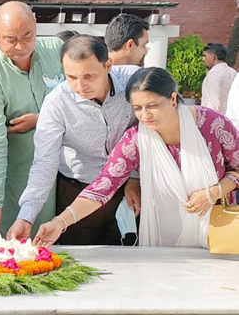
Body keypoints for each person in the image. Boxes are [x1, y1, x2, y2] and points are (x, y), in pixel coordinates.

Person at [34, 67, 239, 248]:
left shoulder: (213, 125)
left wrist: (215, 191)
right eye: (137, 108)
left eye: (152, 106)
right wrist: (60, 222)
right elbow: (102, 187)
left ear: (173, 99)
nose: (145, 115)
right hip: (162, 238)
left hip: (217, 234)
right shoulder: (135, 140)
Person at [7, 35, 140, 245]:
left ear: (108, 65)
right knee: (77, 263)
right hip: (76, 193)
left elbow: (146, 130)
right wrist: (27, 215)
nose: (80, 86)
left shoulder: (133, 84)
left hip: (126, 193)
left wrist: (134, 177)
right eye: (71, 77)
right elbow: (44, 161)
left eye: (89, 76)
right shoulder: (57, 102)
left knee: (128, 262)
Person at [0, 1, 64, 239]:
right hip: (18, 173)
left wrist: (41, 119)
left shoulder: (56, 50)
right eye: (11, 39)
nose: (21, 46)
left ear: (35, 24)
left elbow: (81, 102)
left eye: (28, 35)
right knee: (19, 243)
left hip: (67, 171)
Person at [201, 43, 236, 114]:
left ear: (213, 57)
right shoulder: (233, 73)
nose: (203, 59)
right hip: (232, 120)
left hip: (215, 120)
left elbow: (212, 103)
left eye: (205, 56)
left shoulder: (213, 73)